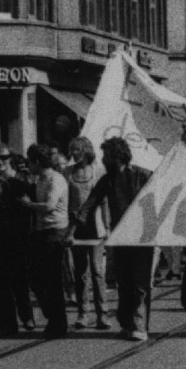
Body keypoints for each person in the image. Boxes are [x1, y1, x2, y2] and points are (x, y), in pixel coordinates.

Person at [78, 138, 154, 341]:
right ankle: (127, 322)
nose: (102, 159)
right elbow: (90, 203)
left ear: (117, 156)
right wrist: (73, 231)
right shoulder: (108, 179)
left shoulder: (142, 175)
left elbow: (159, 199)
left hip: (142, 238)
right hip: (121, 238)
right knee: (124, 282)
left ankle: (140, 325)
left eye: (106, 156)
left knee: (140, 283)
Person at [25, 144, 73, 336]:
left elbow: (50, 206)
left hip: (55, 232)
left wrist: (28, 205)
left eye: (30, 161)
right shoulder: (39, 179)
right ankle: (52, 317)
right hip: (41, 231)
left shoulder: (56, 179)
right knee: (36, 278)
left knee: (52, 280)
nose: (28, 165)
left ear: (37, 162)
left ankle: (58, 323)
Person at [0, 147, 36, 337]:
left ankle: (26, 316)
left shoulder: (22, 179)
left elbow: (29, 205)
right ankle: (7, 324)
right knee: (1, 281)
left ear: (11, 159)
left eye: (3, 158)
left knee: (19, 278)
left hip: (19, 234)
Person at [64, 137, 110, 330]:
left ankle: (103, 314)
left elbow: (104, 201)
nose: (74, 153)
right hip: (76, 227)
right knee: (80, 271)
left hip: (95, 226)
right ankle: (83, 313)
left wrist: (107, 226)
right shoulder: (67, 172)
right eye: (72, 150)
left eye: (78, 150)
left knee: (97, 271)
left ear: (86, 151)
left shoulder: (98, 171)